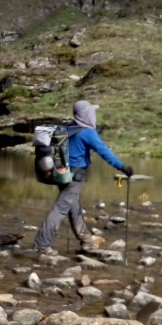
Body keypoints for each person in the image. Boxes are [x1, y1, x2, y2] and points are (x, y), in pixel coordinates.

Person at [34, 99, 134, 254]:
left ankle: (86, 240)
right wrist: (122, 167)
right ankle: (42, 244)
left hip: (62, 174)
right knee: (60, 209)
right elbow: (104, 152)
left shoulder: (68, 128)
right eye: (91, 112)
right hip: (75, 177)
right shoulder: (88, 132)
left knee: (73, 208)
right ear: (87, 114)